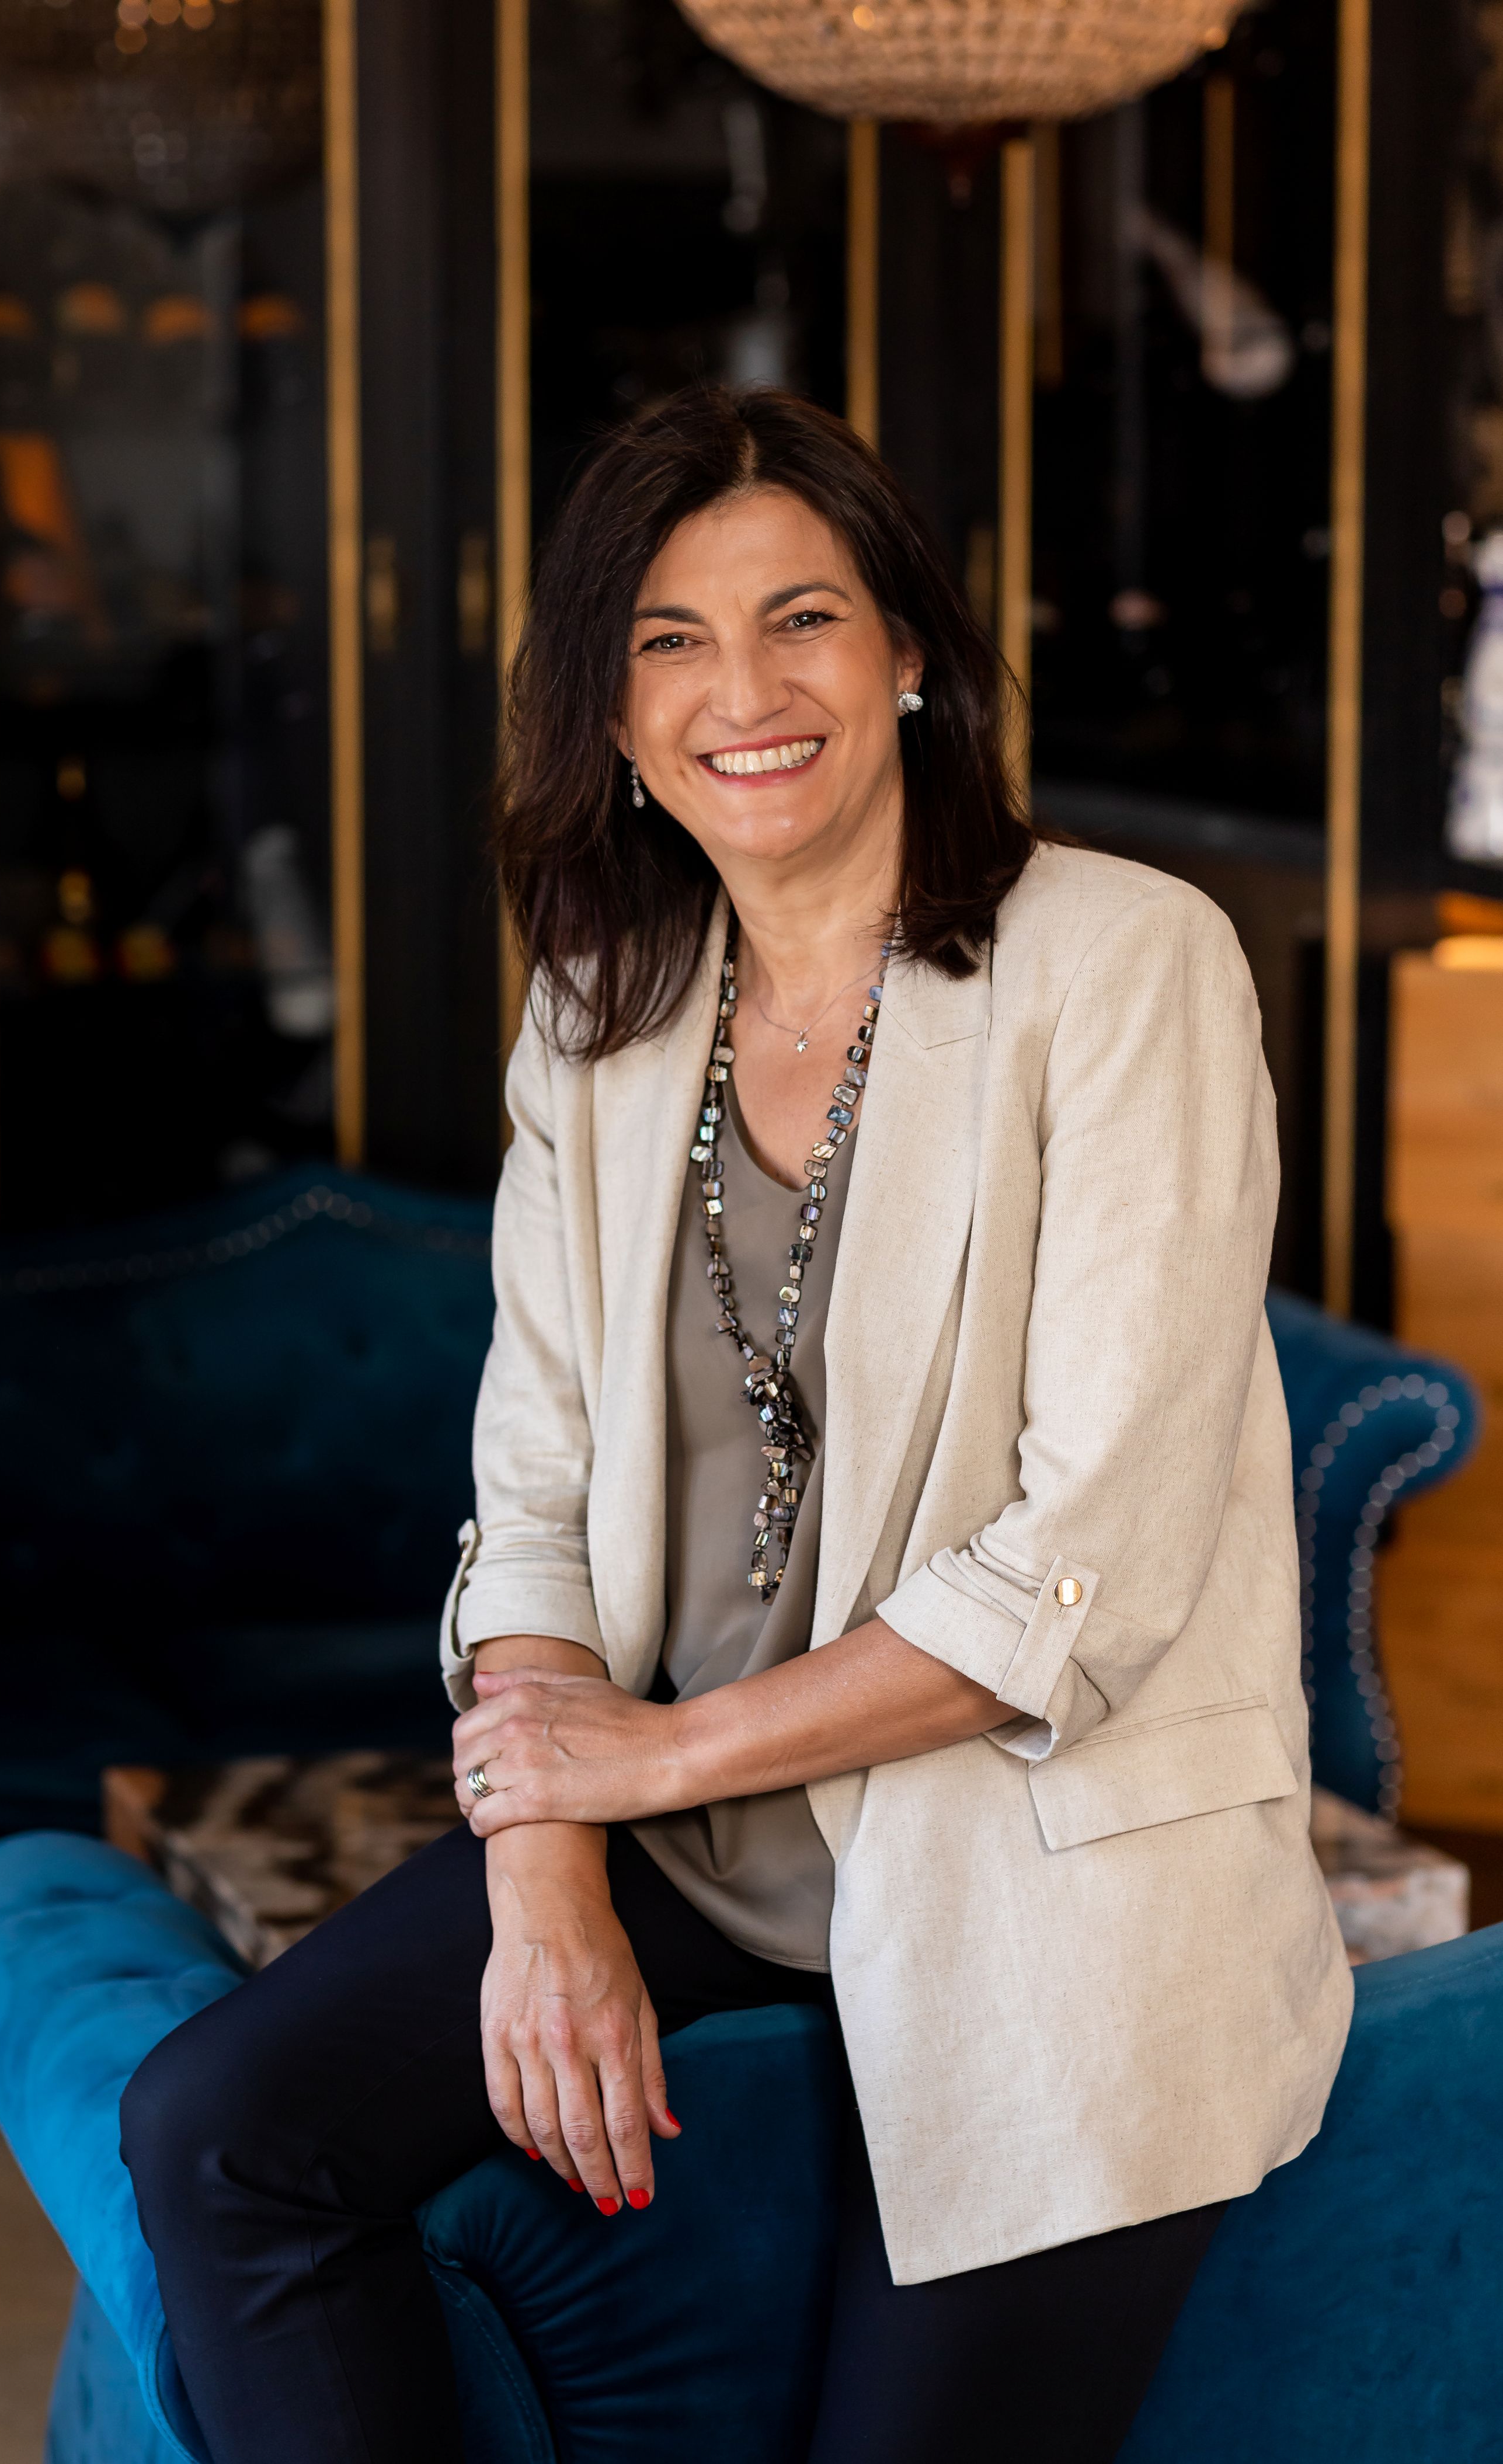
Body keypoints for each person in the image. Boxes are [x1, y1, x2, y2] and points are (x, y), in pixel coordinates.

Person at [121, 385, 1353, 2464]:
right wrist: (548, 1880)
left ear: (911, 657)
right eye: (671, 640)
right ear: (610, 715)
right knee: (221, 2129)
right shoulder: (602, 1006)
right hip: (697, 1827)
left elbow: (1092, 1566)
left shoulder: (1126, 965)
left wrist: (657, 1755)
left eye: (803, 619)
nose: (745, 692)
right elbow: (530, 1492)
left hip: (1037, 1847)